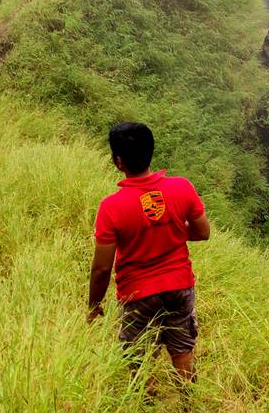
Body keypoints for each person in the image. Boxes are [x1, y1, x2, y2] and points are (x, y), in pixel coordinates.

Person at [87, 122, 211, 383]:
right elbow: (202, 232)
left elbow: (101, 269)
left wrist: (94, 305)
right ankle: (191, 404)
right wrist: (172, 228)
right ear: (151, 151)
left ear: (118, 161)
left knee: (138, 355)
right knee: (181, 350)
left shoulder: (111, 207)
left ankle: (146, 402)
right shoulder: (182, 187)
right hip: (179, 285)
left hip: (137, 294)